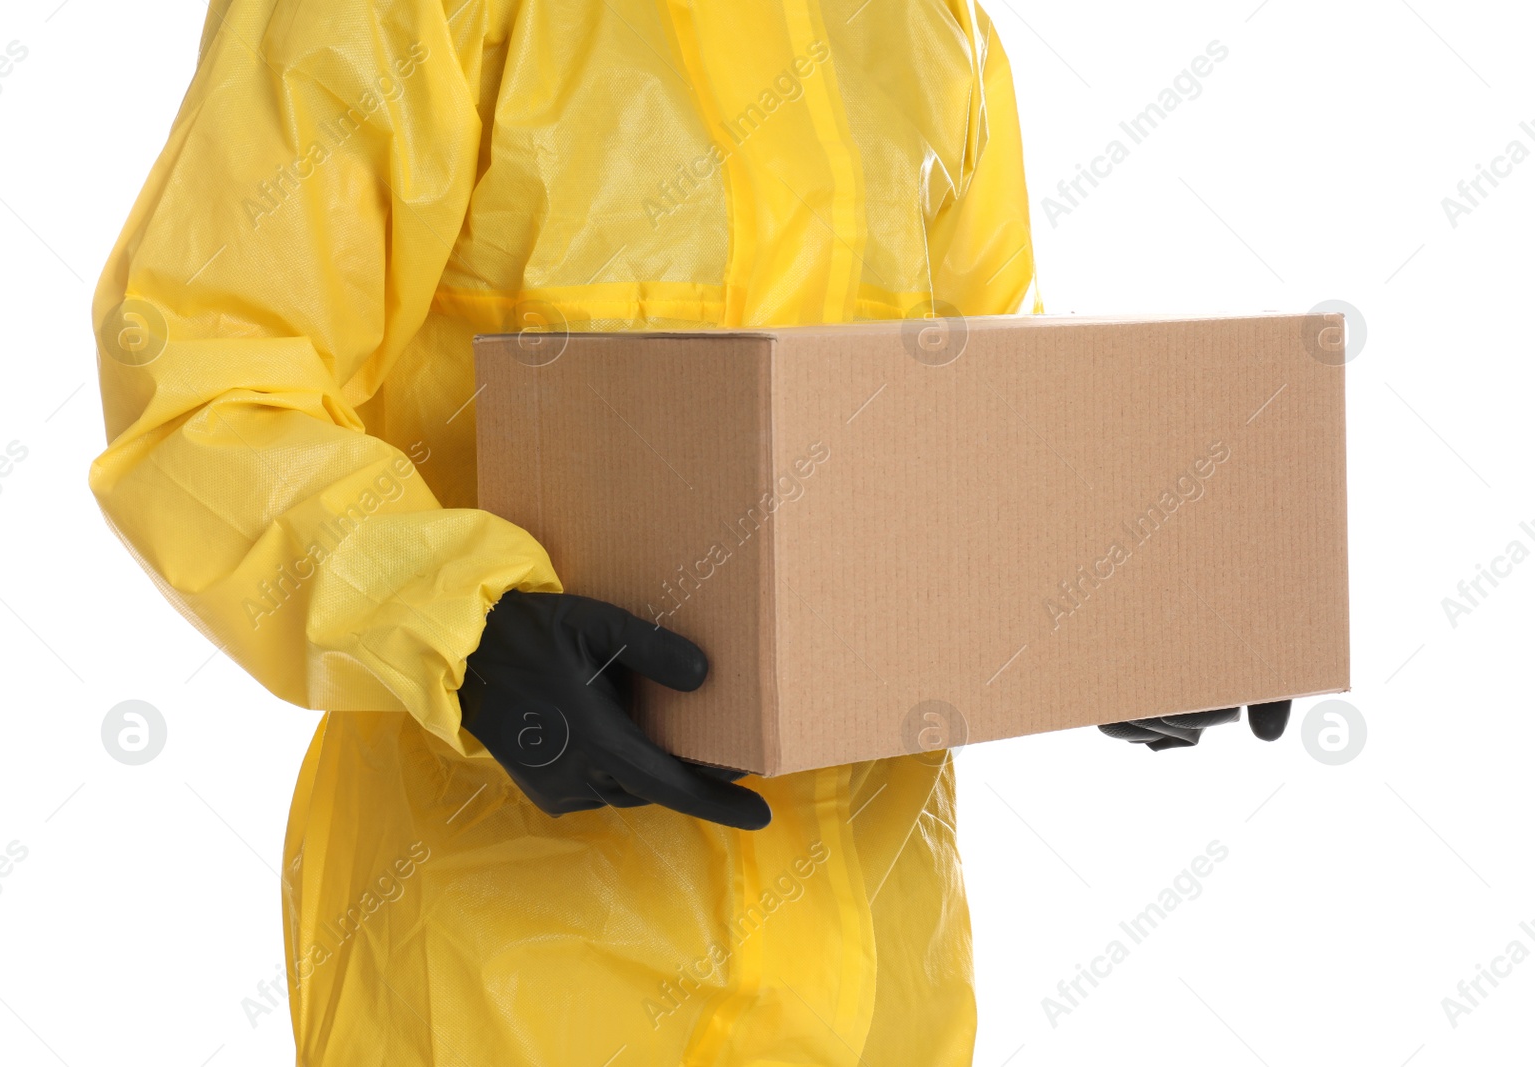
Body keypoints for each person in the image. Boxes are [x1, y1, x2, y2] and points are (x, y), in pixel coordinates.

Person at [90, 0, 1048, 1062]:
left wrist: (1110, 609)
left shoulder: (926, 23)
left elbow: (983, 410)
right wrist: (458, 620)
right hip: (508, 975)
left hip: (885, 974)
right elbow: (199, 387)